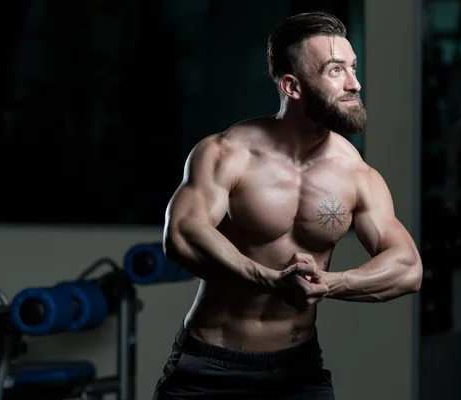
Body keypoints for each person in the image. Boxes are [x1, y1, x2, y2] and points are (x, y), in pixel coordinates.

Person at [153, 10, 423, 400]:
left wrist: (331, 283)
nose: (354, 83)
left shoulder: (356, 174)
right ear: (292, 85)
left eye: (353, 67)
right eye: (335, 71)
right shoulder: (227, 152)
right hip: (209, 364)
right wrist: (270, 279)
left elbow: (408, 268)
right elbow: (181, 235)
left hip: (297, 370)